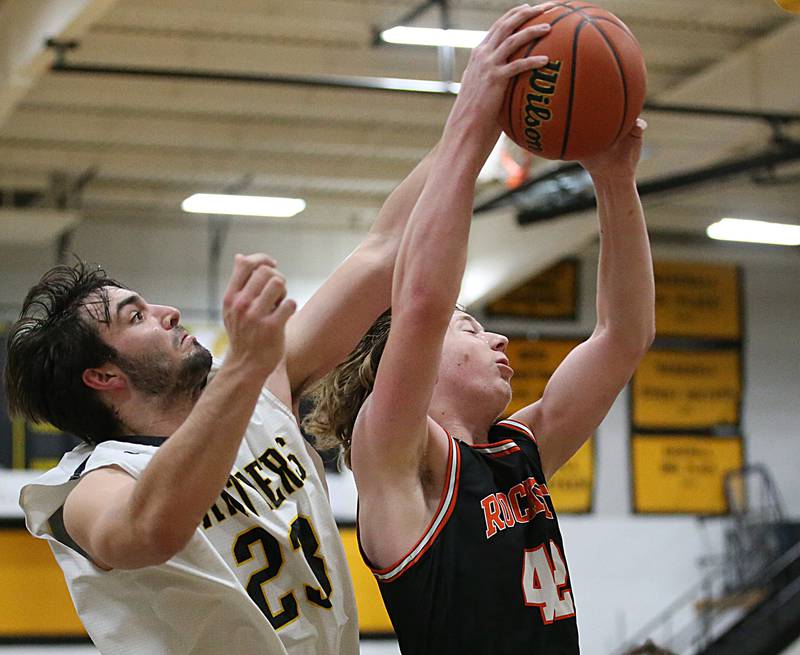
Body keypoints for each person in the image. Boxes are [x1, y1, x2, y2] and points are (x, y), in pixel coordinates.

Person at [5, 78, 446, 653]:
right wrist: (245, 366)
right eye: (135, 317)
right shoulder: (87, 490)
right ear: (104, 376)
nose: (165, 312)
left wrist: (478, 118)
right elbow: (149, 530)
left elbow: (386, 248)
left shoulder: (258, 389)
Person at [303, 5, 655, 654]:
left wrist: (614, 181)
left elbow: (622, 337)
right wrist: (473, 119)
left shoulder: (518, 452)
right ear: (404, 363)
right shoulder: (395, 458)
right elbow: (422, 300)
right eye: (470, 327)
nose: (499, 341)